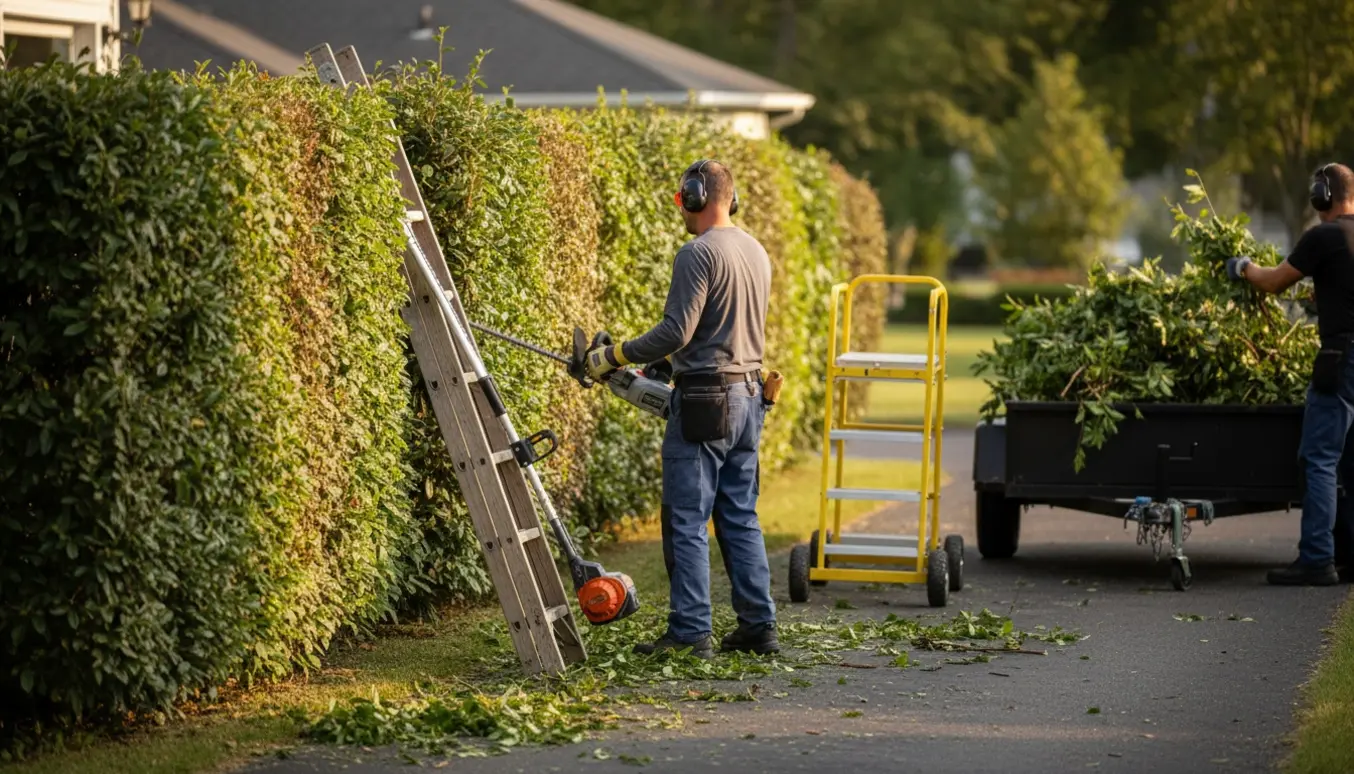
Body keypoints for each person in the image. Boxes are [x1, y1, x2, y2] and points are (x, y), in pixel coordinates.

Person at [585, 159, 778, 657]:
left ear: (695, 196)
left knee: (687, 520)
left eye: (681, 200)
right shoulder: (755, 251)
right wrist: (674, 366)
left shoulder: (697, 253)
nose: (680, 210)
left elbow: (678, 331)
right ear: (731, 200)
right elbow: (720, 327)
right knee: (739, 515)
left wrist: (613, 355)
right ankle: (759, 626)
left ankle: (691, 633)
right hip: (750, 394)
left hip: (705, 404)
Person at [1226, 162, 1354, 586]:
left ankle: (1317, 559)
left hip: (1341, 360)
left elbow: (1273, 282)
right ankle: (1348, 556)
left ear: (1323, 195)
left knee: (1318, 459)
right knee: (1351, 462)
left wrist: (1243, 267)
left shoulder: (1325, 236)